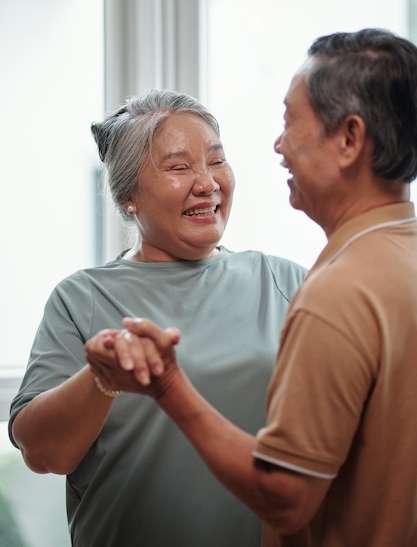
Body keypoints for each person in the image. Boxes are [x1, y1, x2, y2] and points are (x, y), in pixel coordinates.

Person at [85, 29, 417, 547]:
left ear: (349, 139)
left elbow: (286, 496)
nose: (278, 144)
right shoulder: (400, 258)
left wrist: (169, 386)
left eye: (290, 120)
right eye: (179, 166)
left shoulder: (333, 292)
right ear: (128, 198)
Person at [8, 89, 306, 547]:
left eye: (217, 160)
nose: (207, 183)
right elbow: (44, 453)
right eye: (179, 167)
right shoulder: (82, 296)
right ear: (129, 197)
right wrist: (100, 378)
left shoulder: (284, 280)